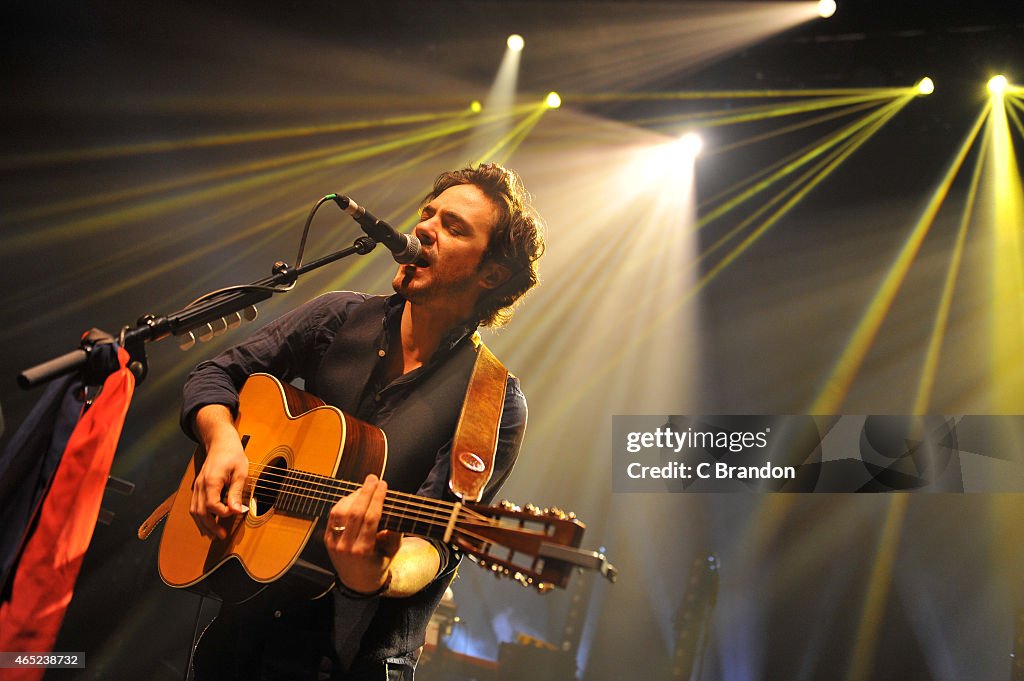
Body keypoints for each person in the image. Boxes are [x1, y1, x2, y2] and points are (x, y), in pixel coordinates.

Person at [180, 162, 545, 680]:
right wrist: (222, 442)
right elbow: (215, 374)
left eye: (454, 226)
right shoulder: (338, 317)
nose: (424, 228)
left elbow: (436, 542)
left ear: (491, 274)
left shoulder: (492, 401)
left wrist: (376, 570)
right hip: (238, 639)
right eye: (428, 214)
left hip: (353, 664)